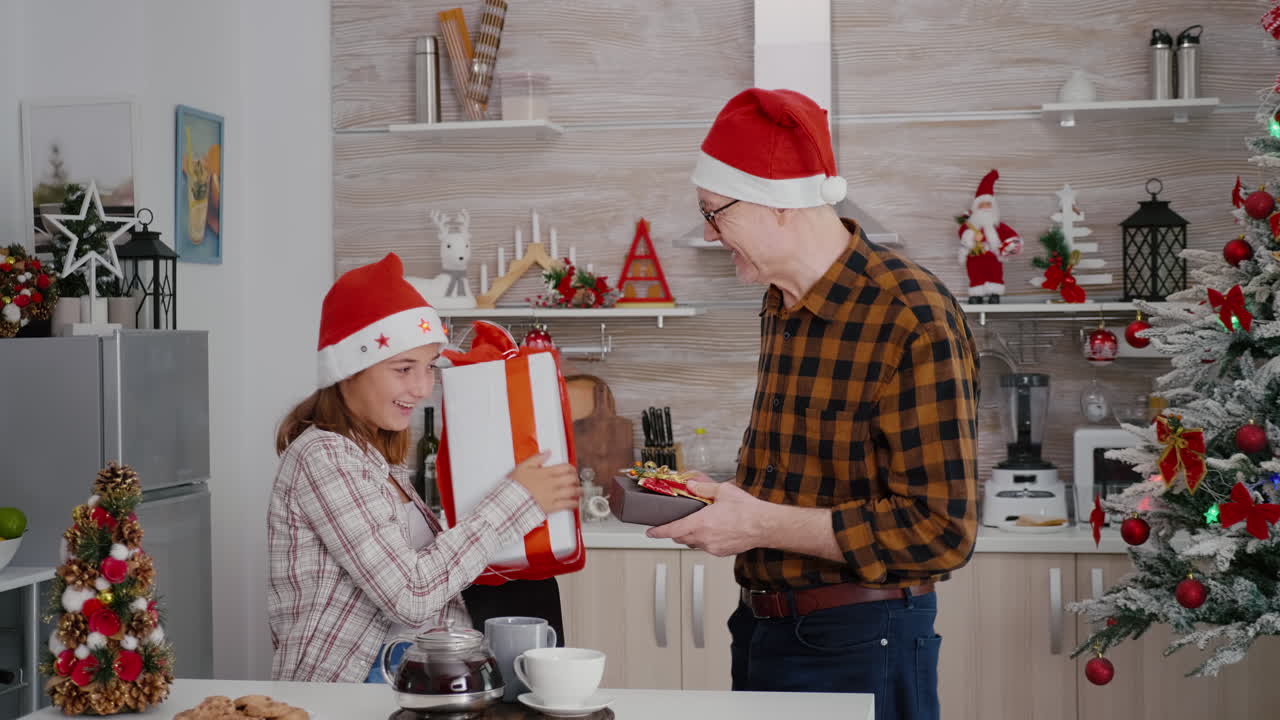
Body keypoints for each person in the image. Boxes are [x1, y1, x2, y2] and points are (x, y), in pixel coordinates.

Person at [647, 88, 979, 720]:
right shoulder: (782, 299)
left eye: (716, 213)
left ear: (776, 203)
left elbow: (941, 532)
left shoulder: (910, 316)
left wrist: (758, 524)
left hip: (861, 641)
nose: (714, 235)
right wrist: (726, 502)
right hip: (765, 631)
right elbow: (807, 482)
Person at [268, 253, 579, 683]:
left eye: (429, 367)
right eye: (403, 369)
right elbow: (409, 595)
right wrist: (516, 500)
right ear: (348, 370)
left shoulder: (375, 458)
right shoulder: (324, 456)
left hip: (401, 683)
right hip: (343, 692)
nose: (421, 387)